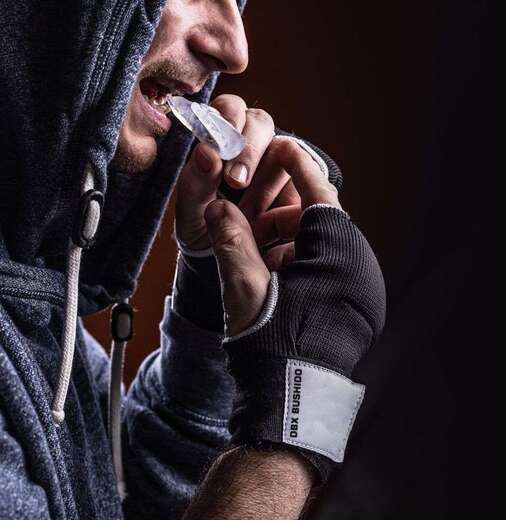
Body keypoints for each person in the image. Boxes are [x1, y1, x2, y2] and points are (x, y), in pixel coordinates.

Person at [0, 1, 385, 518]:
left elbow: (126, 502)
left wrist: (211, 314)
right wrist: (298, 415)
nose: (235, 48)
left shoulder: (37, 310)